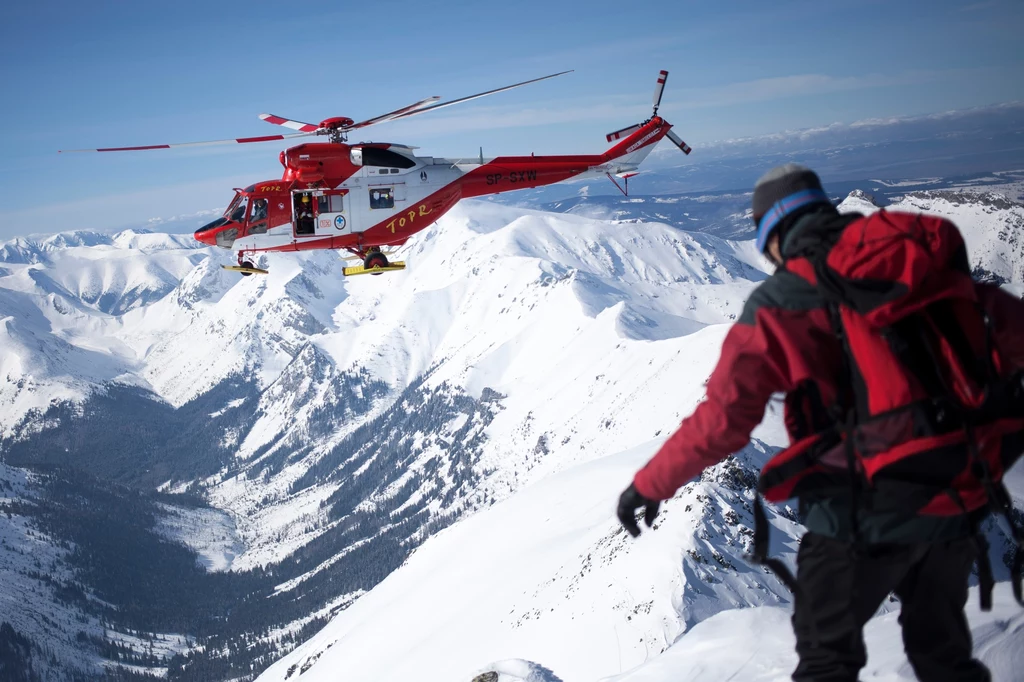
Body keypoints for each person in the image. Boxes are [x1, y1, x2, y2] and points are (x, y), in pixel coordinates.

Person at [616, 163, 1024, 682]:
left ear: (773, 235)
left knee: (825, 662)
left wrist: (650, 485)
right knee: (941, 654)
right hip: (960, 494)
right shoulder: (920, 262)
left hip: (862, 510)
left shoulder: (783, 302)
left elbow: (725, 418)